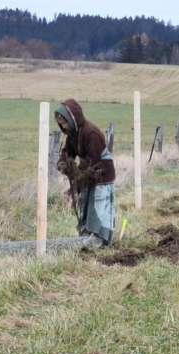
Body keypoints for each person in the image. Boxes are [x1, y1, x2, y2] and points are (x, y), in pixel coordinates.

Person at [54, 99, 116, 245]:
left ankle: (101, 240)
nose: (63, 126)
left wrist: (77, 181)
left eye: (65, 123)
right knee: (86, 205)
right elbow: (67, 152)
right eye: (61, 124)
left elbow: (93, 163)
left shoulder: (91, 133)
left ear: (72, 118)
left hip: (101, 174)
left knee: (98, 207)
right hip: (87, 173)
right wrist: (64, 163)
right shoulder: (73, 134)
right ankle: (88, 236)